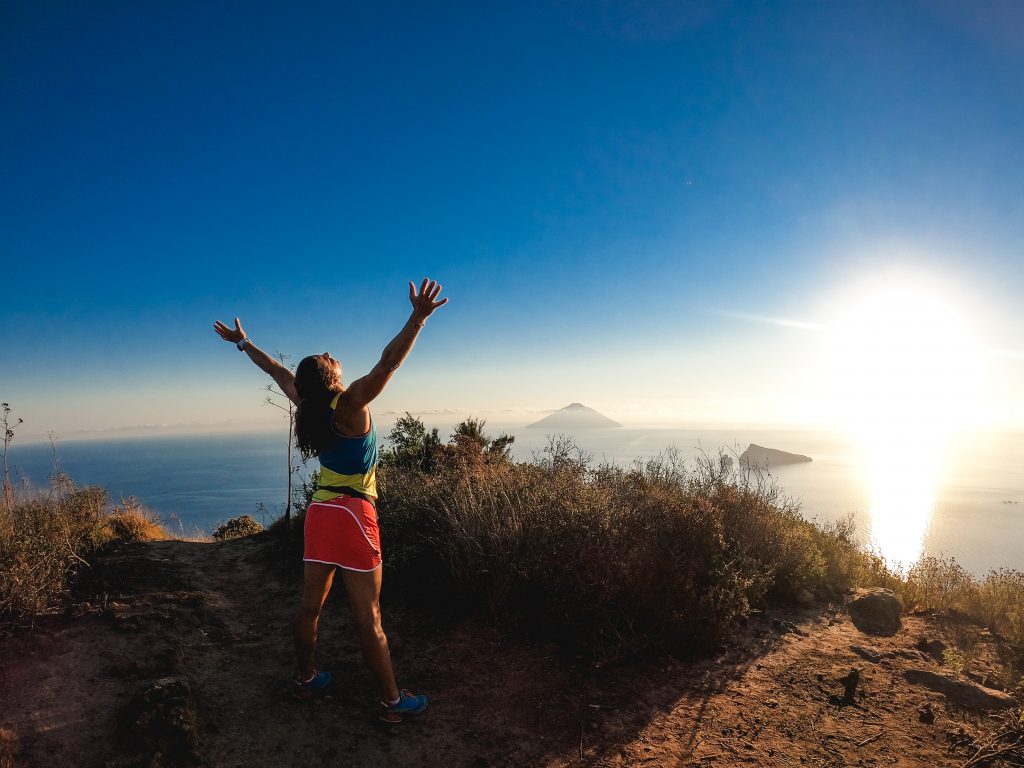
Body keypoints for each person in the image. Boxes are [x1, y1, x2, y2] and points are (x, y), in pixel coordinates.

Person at [213, 278, 448, 722]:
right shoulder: (350, 403)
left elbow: (275, 372)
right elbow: (388, 362)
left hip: (320, 513)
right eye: (328, 358)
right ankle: (394, 703)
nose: (330, 353)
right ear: (333, 377)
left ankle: (306, 680)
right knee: (368, 617)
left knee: (309, 606)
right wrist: (418, 318)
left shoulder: (308, 404)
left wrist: (243, 343)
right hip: (354, 514)